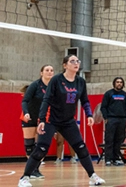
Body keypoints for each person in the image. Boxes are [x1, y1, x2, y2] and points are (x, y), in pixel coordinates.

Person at [17, 55, 105, 187]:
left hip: (68, 121)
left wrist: (89, 115)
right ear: (65, 65)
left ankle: (92, 176)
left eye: (77, 61)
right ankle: (24, 178)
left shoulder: (80, 82)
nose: (76, 63)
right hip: (51, 120)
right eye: (72, 61)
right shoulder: (56, 80)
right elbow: (46, 100)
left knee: (81, 147)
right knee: (41, 149)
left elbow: (85, 100)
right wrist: (41, 119)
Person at [20, 65, 55, 180]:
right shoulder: (35, 85)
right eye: (47, 70)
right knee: (29, 144)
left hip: (43, 119)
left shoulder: (54, 87)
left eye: (51, 70)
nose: (49, 72)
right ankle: (32, 170)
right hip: (29, 116)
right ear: (41, 73)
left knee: (41, 145)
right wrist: (26, 112)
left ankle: (36, 168)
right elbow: (25, 100)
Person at [101, 77, 126, 166]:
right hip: (111, 119)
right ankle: (108, 159)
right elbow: (103, 107)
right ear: (114, 83)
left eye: (121, 82)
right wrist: (106, 118)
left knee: (119, 140)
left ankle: (116, 159)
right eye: (117, 82)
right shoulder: (108, 94)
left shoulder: (125, 95)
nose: (119, 84)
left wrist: (125, 118)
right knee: (109, 140)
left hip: (122, 120)